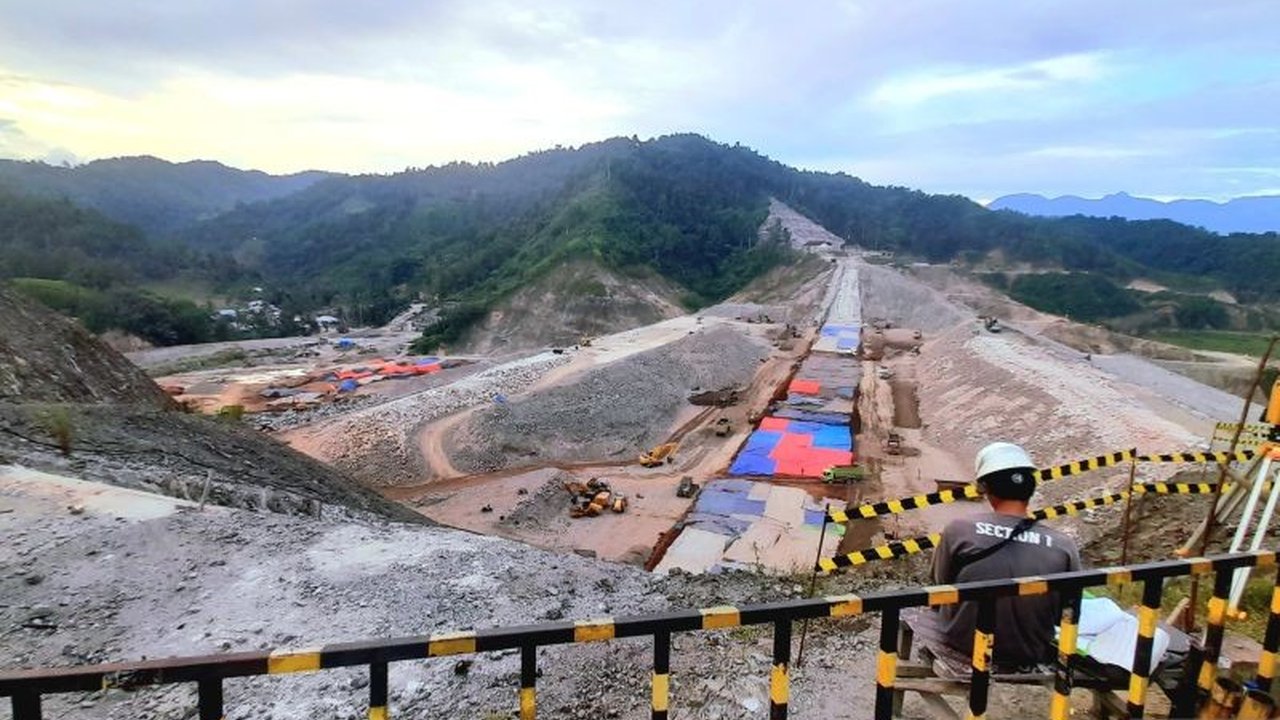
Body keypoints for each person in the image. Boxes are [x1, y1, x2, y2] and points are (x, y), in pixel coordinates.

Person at [931, 441, 1081, 669]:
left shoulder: (959, 530)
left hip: (965, 643)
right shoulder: (1063, 545)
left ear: (985, 488)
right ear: (1030, 489)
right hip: (1031, 649)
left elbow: (940, 587)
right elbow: (1068, 607)